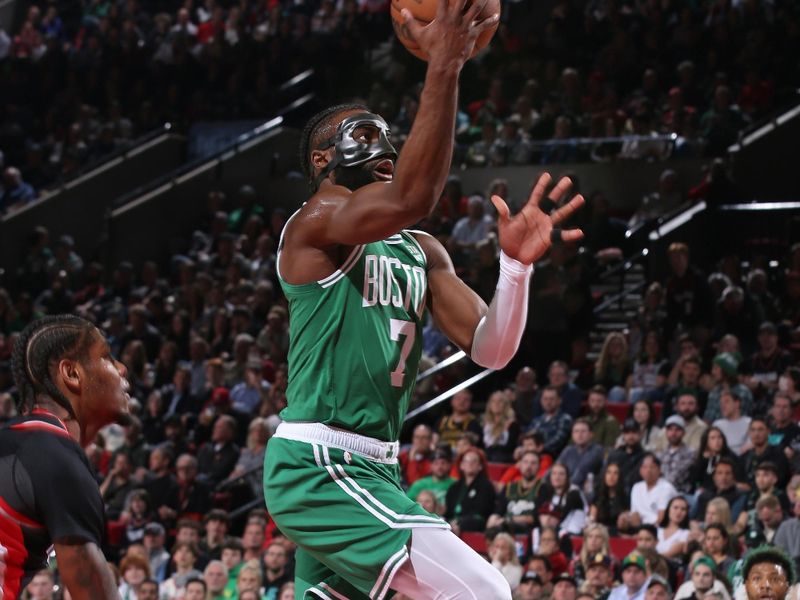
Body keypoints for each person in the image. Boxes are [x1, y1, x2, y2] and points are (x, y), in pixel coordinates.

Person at [261, 0, 585, 595]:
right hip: (321, 465)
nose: (382, 141)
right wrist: (445, 65)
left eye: (387, 132)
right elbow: (412, 195)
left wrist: (514, 268)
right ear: (321, 159)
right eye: (363, 133)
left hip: (376, 467)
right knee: (487, 592)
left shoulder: (421, 251)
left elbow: (491, 349)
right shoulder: (317, 220)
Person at [0, 315, 130, 597]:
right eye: (107, 357)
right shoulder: (56, 455)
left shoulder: (20, 444)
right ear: (71, 374)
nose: (122, 368)